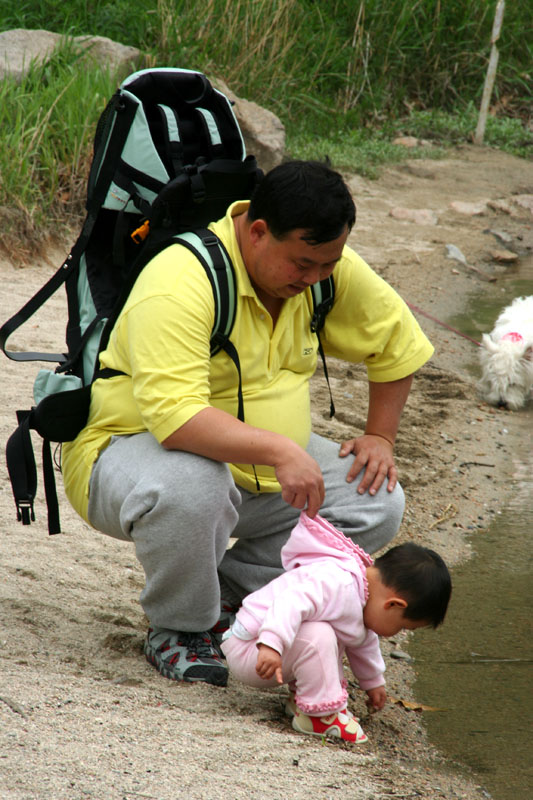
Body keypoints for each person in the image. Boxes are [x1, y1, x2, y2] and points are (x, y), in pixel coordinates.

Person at [61, 160, 434, 687]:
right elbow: (175, 420)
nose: (316, 280)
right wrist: (282, 451)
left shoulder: (321, 267)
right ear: (257, 232)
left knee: (376, 498)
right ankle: (180, 627)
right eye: (304, 264)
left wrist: (380, 436)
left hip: (255, 473)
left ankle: (233, 602)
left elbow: (399, 345)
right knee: (196, 484)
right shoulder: (181, 279)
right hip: (124, 456)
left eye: (329, 265)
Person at [221, 512, 451, 743]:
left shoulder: (364, 598)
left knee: (331, 633)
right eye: (402, 627)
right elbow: (290, 602)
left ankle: (305, 699)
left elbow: (363, 641)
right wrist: (271, 643)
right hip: (253, 648)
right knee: (319, 635)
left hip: (272, 652)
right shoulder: (337, 582)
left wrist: (373, 683)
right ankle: (319, 717)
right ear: (393, 604)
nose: (397, 632)